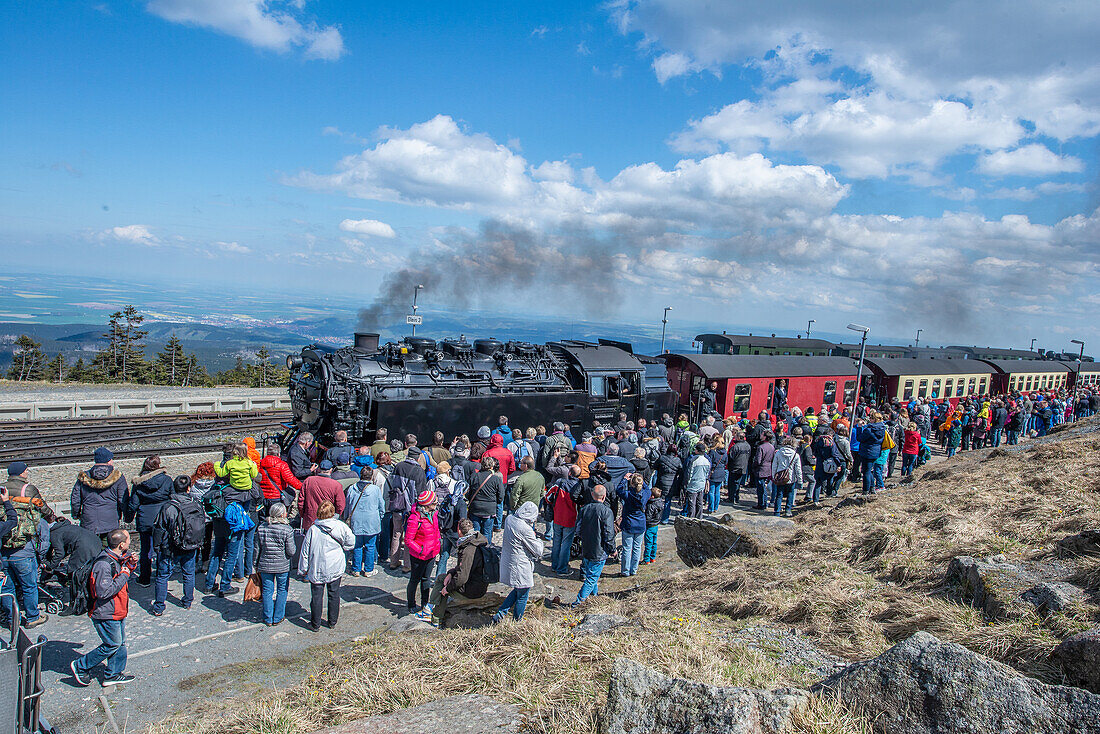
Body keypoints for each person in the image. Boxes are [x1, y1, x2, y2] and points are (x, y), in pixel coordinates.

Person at [70, 528, 136, 687]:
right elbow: (104, 591)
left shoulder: (115, 558)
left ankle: (113, 674)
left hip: (117, 610)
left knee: (119, 643)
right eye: (128, 540)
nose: (130, 542)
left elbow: (119, 574)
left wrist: (130, 564)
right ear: (121, 545)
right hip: (106, 612)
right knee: (112, 644)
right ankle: (81, 665)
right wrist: (126, 573)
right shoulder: (103, 564)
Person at [2, 461, 54, 628]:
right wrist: (51, 518)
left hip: (3, 551)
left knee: (7, 588)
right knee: (29, 585)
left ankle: (12, 620)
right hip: (23, 548)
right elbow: (43, 508)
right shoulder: (28, 489)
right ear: (22, 473)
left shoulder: (2, 488)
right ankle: (32, 617)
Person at [149, 475, 205, 615]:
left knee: (162, 576)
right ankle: (187, 601)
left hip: (170, 548)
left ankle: (159, 607)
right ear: (188, 488)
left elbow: (159, 528)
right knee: (188, 574)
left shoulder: (168, 507)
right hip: (190, 544)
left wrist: (157, 546)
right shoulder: (196, 503)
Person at [297, 501, 354, 631]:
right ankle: (332, 621)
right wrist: (345, 548)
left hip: (317, 566)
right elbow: (351, 541)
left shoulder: (313, 529)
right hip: (335, 565)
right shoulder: (340, 526)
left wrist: (303, 569)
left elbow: (305, 551)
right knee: (334, 594)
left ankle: (315, 623)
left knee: (316, 596)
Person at [422, 518, 488, 628]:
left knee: (441, 585)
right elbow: (462, 568)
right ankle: (431, 607)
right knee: (443, 578)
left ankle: (436, 617)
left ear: (459, 531)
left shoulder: (468, 550)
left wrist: (447, 589)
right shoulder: (476, 540)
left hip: (472, 589)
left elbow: (462, 577)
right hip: (478, 584)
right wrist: (451, 573)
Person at [492, 501, 543, 623]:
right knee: (523, 593)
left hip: (510, 560)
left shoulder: (510, 519)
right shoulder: (525, 529)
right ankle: (517, 621)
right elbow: (538, 550)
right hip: (521, 564)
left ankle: (500, 614)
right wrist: (538, 539)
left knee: (518, 589)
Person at [127, 455, 174, 586]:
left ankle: (144, 578)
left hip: (145, 519)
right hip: (162, 519)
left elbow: (133, 504)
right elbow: (172, 497)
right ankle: (162, 575)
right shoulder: (166, 480)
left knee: (146, 550)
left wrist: (128, 518)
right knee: (161, 547)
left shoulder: (139, 483)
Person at [71, 447, 129, 538]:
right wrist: (127, 516)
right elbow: (123, 500)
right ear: (109, 461)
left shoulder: (84, 477)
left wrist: (76, 514)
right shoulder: (118, 477)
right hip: (111, 521)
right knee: (109, 549)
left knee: (90, 549)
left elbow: (75, 499)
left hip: (89, 521)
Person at [572, 485, 616, 606]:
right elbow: (608, 532)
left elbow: (578, 528)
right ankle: (578, 602)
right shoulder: (606, 511)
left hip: (587, 546)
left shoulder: (585, 509)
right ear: (604, 496)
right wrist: (612, 549)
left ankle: (594, 597)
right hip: (599, 549)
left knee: (592, 575)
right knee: (591, 578)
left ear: (592, 495)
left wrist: (583, 538)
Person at [256, 502, 296, 626]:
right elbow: (291, 551)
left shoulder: (262, 528)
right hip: (282, 565)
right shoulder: (287, 530)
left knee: (267, 591)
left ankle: (267, 617)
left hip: (265, 564)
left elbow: (257, 549)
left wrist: (255, 564)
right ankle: (278, 616)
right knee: (282, 590)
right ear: (282, 514)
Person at [343, 468, 385, 577]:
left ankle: (356, 569)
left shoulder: (352, 488)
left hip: (356, 520)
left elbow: (348, 505)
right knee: (370, 546)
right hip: (371, 521)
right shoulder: (375, 489)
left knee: (357, 546)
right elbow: (381, 505)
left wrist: (347, 517)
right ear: (371, 476)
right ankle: (368, 569)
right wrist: (380, 516)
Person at [405, 490, 441, 614]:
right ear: (427, 504)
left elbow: (436, 531)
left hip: (431, 553)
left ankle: (425, 603)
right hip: (419, 555)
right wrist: (420, 550)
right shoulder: (415, 518)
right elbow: (408, 540)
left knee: (426, 579)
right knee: (414, 580)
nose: (437, 503)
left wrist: (437, 545)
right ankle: (411, 604)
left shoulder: (433, 514)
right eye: (434, 502)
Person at [546, 468, 579, 575]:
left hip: (558, 517)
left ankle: (554, 566)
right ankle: (562, 569)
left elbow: (547, 497)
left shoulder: (559, 484)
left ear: (569, 473)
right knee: (566, 545)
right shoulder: (578, 487)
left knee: (556, 542)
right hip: (570, 519)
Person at [616, 473, 650, 577]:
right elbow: (647, 488)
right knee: (637, 547)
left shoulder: (628, 495)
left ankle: (625, 571)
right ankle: (633, 570)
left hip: (629, 523)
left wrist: (625, 479)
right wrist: (641, 480)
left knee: (627, 548)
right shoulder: (645, 494)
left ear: (631, 484)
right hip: (640, 523)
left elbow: (619, 490)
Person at [467, 456, 505, 545]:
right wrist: (496, 503)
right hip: (489, 509)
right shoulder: (496, 479)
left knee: (475, 531)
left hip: (475, 508)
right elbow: (501, 496)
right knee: (487, 531)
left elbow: (468, 493)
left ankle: (475, 549)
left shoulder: (474, 476)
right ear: (492, 466)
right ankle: (486, 550)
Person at [298, 460, 345, 532]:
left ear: (318, 469)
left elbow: (301, 502)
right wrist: (334, 517)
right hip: (328, 521)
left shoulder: (308, 481)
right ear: (331, 470)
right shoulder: (336, 485)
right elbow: (340, 505)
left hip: (310, 520)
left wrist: (303, 515)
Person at [257, 440, 302, 515]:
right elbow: (290, 480)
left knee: (264, 518)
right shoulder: (282, 465)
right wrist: (303, 486)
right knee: (276, 516)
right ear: (278, 453)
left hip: (263, 496)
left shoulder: (260, 463)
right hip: (276, 496)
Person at [771, 437, 802, 518]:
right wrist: (800, 480)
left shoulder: (778, 452)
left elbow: (774, 465)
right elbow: (798, 469)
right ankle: (788, 510)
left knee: (779, 495)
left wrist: (774, 476)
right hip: (791, 477)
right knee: (790, 494)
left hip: (780, 477)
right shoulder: (796, 455)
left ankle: (777, 511)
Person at [681, 443, 710, 519]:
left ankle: (691, 518)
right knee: (700, 502)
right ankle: (699, 517)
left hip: (693, 484)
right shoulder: (707, 461)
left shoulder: (693, 460)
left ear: (697, 451)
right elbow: (707, 474)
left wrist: (686, 485)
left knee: (692, 503)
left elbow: (689, 474)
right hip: (701, 484)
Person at [641, 486, 663, 566]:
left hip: (650, 526)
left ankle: (646, 559)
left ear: (652, 496)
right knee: (654, 542)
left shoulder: (651, 505)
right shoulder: (660, 502)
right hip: (656, 525)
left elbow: (648, 517)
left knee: (648, 543)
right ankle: (652, 558)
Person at [706, 439, 727, 513]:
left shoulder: (713, 452)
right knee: (717, 491)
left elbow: (709, 462)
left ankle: (711, 508)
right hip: (721, 472)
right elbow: (726, 462)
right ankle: (716, 507)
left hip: (714, 472)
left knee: (711, 491)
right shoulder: (724, 452)